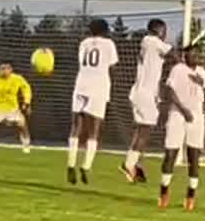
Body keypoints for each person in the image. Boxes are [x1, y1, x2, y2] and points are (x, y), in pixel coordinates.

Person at [159, 44, 205, 211]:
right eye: (189, 54)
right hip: (178, 115)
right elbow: (169, 91)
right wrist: (183, 110)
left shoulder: (202, 72)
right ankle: (164, 191)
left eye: (196, 54)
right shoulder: (178, 69)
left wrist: (202, 83)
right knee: (170, 154)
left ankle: (190, 195)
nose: (192, 57)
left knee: (194, 157)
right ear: (184, 56)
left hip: (196, 118)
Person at [66, 18, 120, 185]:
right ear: (105, 31)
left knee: (76, 127)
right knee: (94, 129)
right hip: (98, 87)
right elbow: (113, 66)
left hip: (81, 84)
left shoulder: (84, 43)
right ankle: (86, 166)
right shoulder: (109, 44)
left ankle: (70, 163)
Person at [123, 19, 171, 182]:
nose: (166, 34)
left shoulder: (149, 43)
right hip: (145, 94)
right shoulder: (153, 41)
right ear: (158, 30)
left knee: (140, 131)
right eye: (164, 30)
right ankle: (130, 164)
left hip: (139, 92)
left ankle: (134, 167)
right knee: (145, 131)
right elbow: (174, 55)